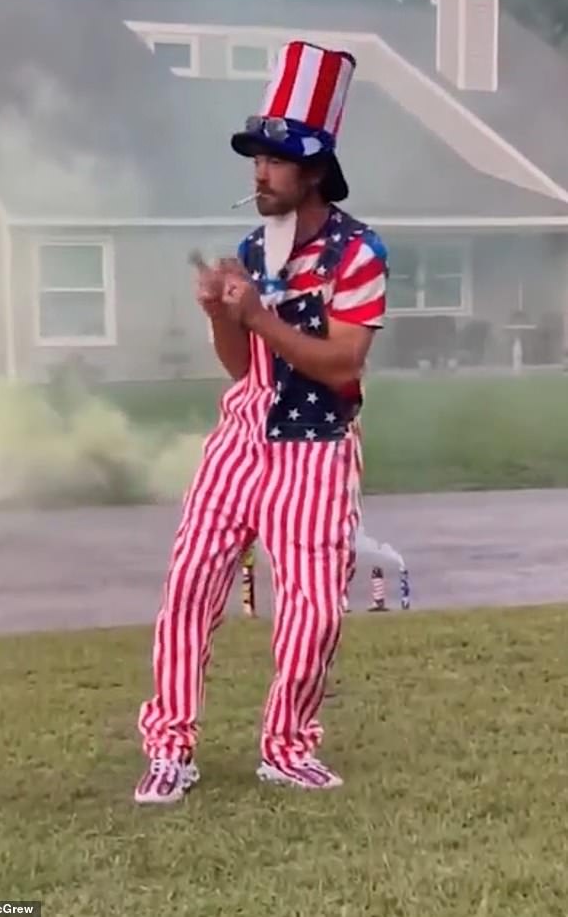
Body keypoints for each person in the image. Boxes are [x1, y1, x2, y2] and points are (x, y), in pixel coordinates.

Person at [134, 40, 389, 804]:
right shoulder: (252, 248)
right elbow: (243, 367)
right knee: (188, 588)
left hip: (315, 452)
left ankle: (287, 745)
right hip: (240, 439)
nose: (260, 172)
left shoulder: (359, 254)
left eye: (277, 159)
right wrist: (221, 313)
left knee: (311, 611)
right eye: (255, 157)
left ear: (313, 171)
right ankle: (169, 747)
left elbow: (342, 362)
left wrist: (259, 315)